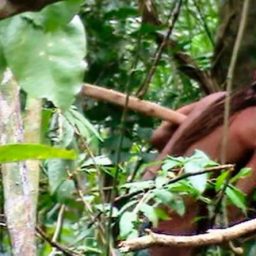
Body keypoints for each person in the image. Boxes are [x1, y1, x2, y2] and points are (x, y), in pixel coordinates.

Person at [143, 83, 256, 256]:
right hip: (175, 226)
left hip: (141, 198)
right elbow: (233, 204)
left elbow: (159, 135)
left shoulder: (217, 99)